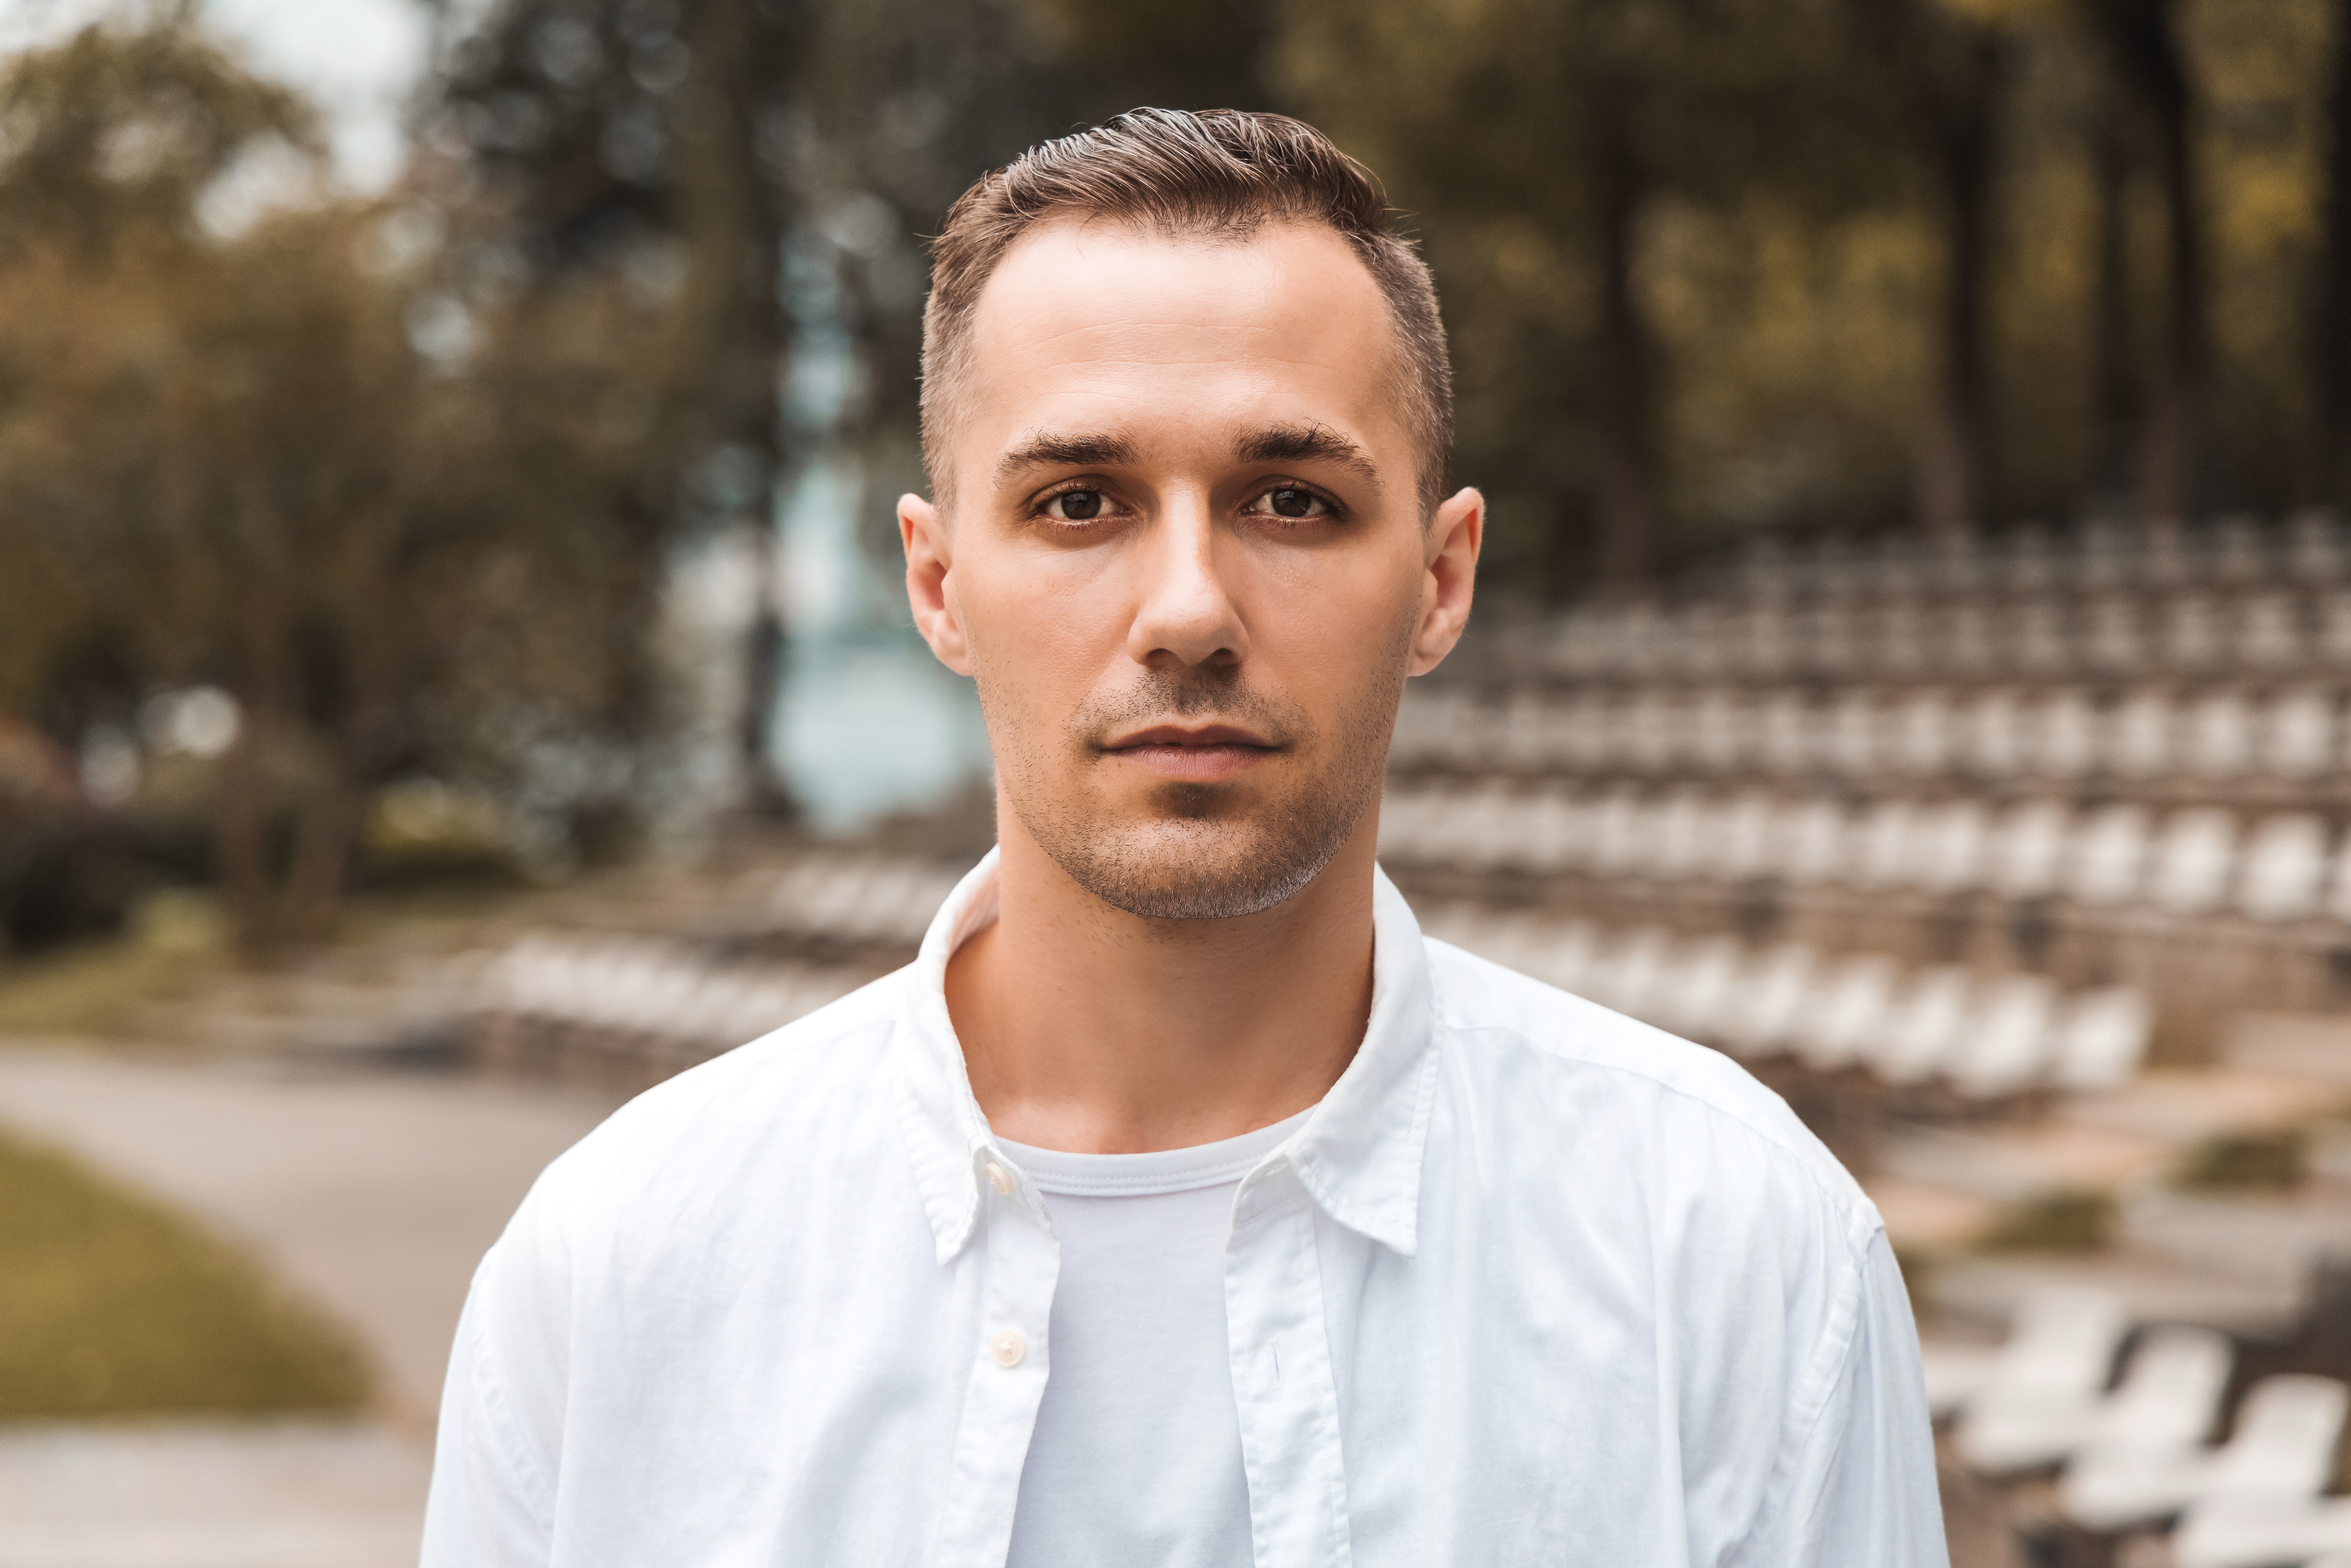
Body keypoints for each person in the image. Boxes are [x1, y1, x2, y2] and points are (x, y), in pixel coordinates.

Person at [423, 107, 1946, 1566]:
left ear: (1441, 576)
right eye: (1081, 501)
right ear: (940, 583)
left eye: (1290, 498)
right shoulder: (623, 1266)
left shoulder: (1737, 1252)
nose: (1189, 612)